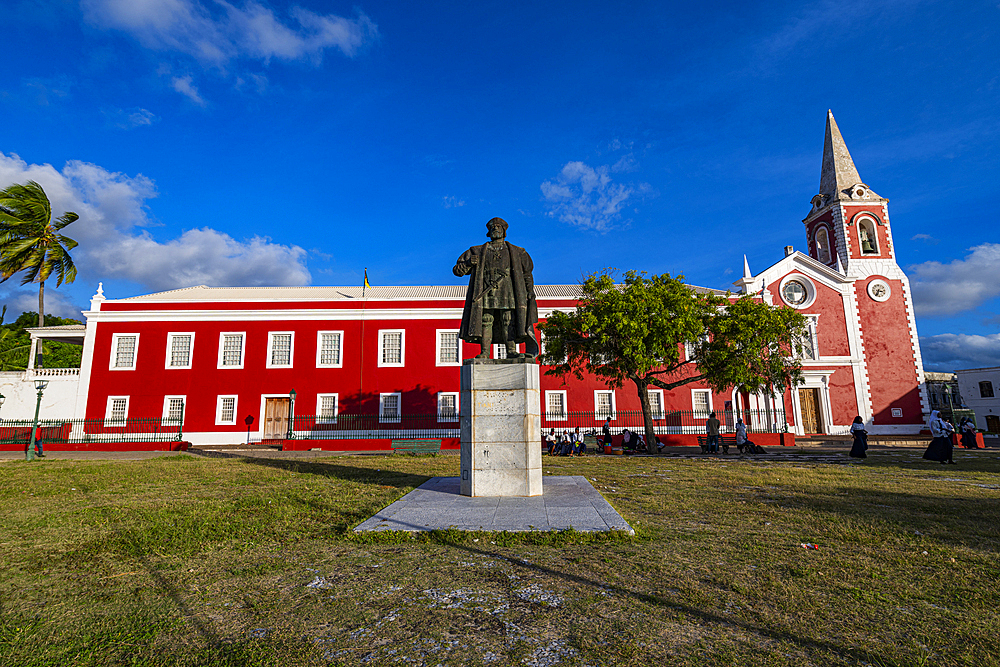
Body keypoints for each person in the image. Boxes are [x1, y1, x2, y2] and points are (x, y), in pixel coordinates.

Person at [453, 217, 539, 359]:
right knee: (486, 319)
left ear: (504, 231)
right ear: (489, 231)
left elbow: (527, 274)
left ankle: (511, 351)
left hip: (509, 291)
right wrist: (469, 263)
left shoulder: (518, 252)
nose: (495, 229)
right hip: (485, 290)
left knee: (508, 319)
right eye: (493, 227)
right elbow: (457, 270)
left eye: (499, 227)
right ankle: (485, 352)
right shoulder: (476, 251)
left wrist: (530, 292)